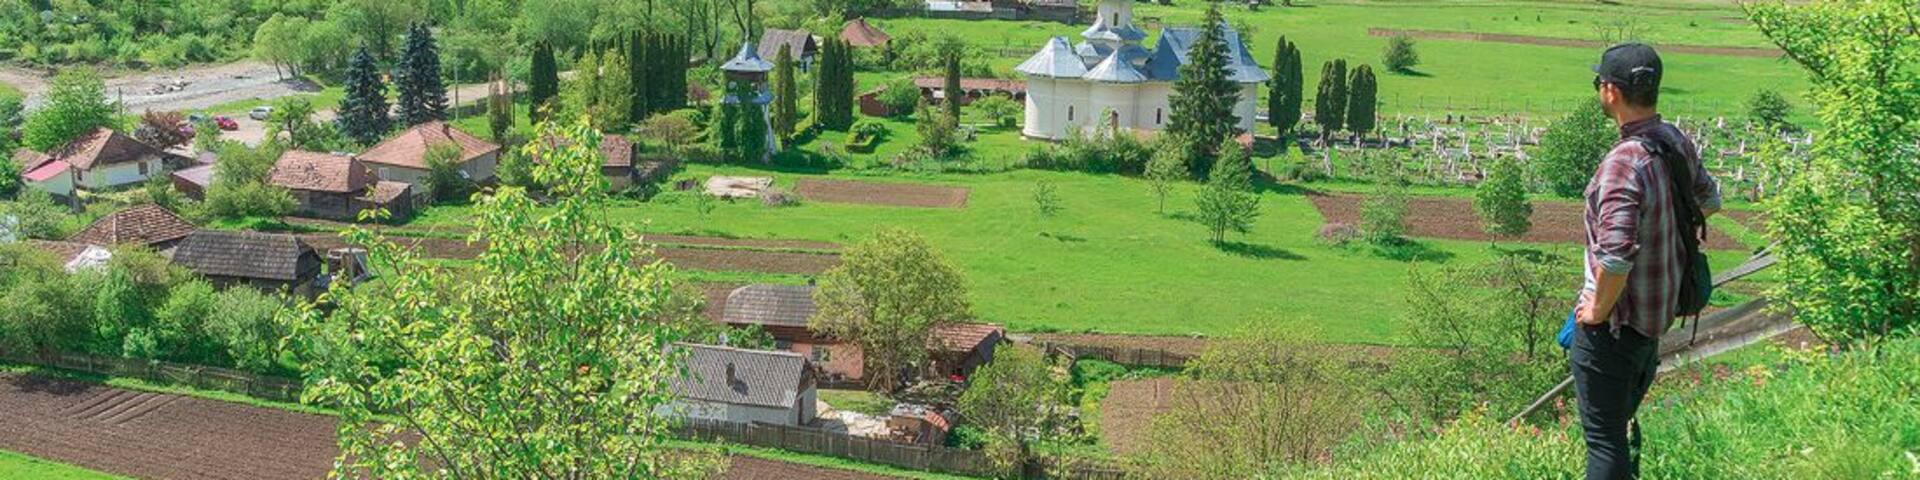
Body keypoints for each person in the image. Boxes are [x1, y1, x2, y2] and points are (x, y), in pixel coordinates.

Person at [1571, 43, 1721, 480]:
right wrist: (1660, 228)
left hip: (1614, 327)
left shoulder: (1624, 163)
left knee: (1604, 442)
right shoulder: (1672, 140)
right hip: (1655, 320)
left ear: (1611, 91)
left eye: (1599, 83)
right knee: (1617, 430)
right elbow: (1710, 200)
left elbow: (1616, 257)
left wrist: (1596, 311)